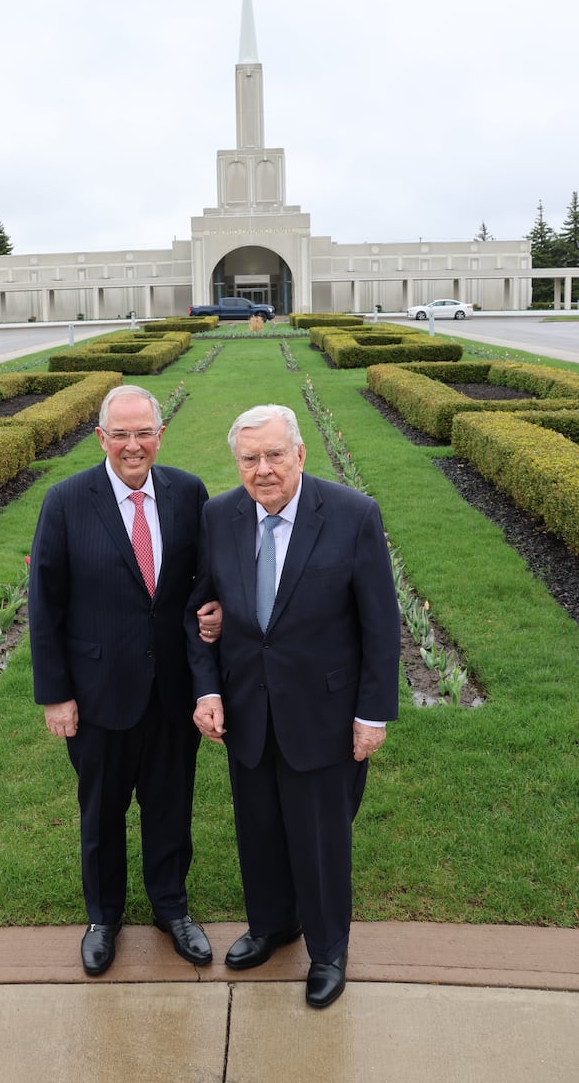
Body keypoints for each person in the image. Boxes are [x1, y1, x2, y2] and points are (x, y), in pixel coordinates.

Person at [187, 404, 400, 1008]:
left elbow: (380, 624)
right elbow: (197, 611)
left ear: (300, 454)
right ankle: (272, 925)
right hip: (248, 712)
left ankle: (328, 950)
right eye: (250, 458)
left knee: (320, 842)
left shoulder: (353, 514)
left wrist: (372, 715)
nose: (263, 470)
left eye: (275, 455)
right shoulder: (218, 515)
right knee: (258, 830)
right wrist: (207, 689)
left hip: (323, 716)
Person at [29, 384, 220, 976]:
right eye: (120, 434)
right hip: (97, 695)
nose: (132, 445)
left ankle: (171, 908)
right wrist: (56, 695)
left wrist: (216, 612)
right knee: (101, 814)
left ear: (160, 434)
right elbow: (45, 605)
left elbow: (204, 580)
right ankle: (103, 918)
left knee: (170, 808)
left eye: (143, 433)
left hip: (171, 693)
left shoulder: (188, 492)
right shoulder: (66, 501)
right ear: (101, 438)